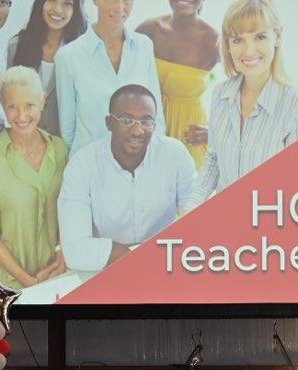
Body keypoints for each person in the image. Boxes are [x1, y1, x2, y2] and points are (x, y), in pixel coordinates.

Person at [188, 0, 298, 207]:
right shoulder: (221, 94)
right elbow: (214, 160)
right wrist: (189, 209)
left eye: (259, 37)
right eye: (237, 40)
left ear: (277, 36)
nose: (248, 51)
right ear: (228, 46)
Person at [58, 84, 196, 271]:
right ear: (109, 123)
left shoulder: (175, 154)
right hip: (108, 271)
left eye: (146, 122)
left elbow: (197, 220)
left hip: (169, 264)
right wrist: (140, 262)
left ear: (155, 125)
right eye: (126, 120)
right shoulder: (82, 165)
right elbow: (75, 252)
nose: (137, 131)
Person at [0, 66, 70, 290]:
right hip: (6, 284)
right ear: (3, 107)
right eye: (12, 107)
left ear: (42, 100)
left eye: (29, 105)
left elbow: (71, 211)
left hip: (54, 275)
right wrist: (29, 281)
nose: (21, 116)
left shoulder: (60, 150)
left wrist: (62, 255)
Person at [56, 0, 164, 152]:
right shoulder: (68, 56)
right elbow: (68, 130)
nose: (119, 7)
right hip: (89, 167)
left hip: (137, 166)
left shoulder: (144, 46)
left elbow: (156, 117)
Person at [136, 0, 219, 168]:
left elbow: (248, 87)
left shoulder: (213, 40)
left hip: (190, 140)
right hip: (148, 139)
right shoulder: (149, 29)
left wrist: (216, 132)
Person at [6, 0, 87, 136]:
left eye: (67, 4)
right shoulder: (17, 46)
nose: (58, 9)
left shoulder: (82, 53)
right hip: (25, 140)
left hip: (65, 146)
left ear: (76, 11)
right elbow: (11, 99)